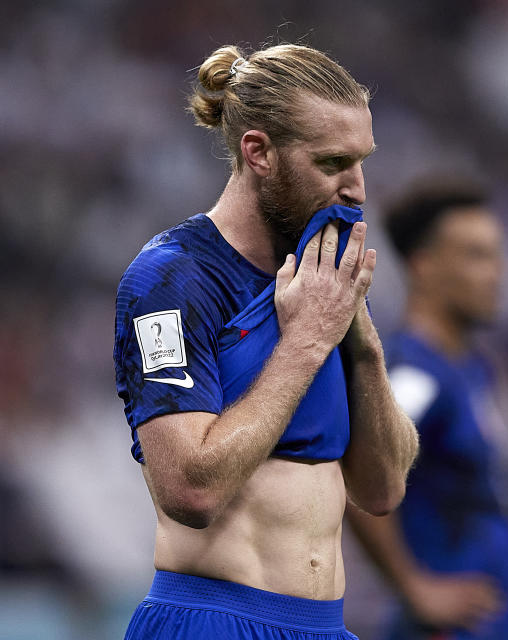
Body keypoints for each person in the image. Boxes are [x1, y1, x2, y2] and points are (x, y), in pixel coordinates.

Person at [113, 43, 419, 640]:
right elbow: (189, 490)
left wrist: (360, 340)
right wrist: (306, 342)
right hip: (213, 621)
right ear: (258, 153)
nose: (356, 189)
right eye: (332, 162)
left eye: (362, 161)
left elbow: (381, 489)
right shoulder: (169, 280)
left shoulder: (321, 279)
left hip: (325, 625)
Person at [346, 182, 508, 639]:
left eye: (496, 254)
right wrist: (413, 586)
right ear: (423, 265)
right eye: (476, 255)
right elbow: (356, 472)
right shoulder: (416, 375)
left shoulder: (470, 368)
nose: (497, 273)